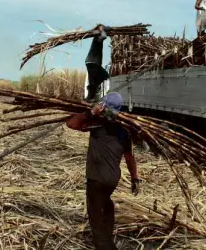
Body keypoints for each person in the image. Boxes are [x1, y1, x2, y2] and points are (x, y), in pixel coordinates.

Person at [66, 92, 140, 250]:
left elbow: (71, 124)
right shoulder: (124, 131)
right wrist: (135, 178)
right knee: (107, 207)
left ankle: (105, 245)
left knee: (96, 220)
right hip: (112, 180)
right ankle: (107, 236)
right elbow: (129, 157)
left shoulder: (97, 123)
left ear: (103, 106)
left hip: (96, 180)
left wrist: (90, 113)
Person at [85, 24, 112, 102]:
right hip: (93, 62)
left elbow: (107, 29)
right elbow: (104, 36)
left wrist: (109, 28)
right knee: (105, 75)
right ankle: (91, 96)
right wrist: (101, 29)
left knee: (93, 81)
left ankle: (90, 97)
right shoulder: (97, 37)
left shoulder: (96, 36)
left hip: (91, 62)